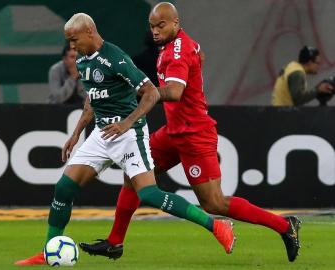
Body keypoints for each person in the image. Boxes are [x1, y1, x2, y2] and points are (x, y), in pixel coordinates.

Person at [79, 2, 301, 263]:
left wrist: (140, 92)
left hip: (195, 134)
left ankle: (285, 226)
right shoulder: (177, 46)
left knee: (214, 203)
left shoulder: (177, 51)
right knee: (133, 174)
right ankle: (115, 242)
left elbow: (174, 92)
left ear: (176, 22)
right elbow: (196, 57)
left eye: (161, 25)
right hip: (173, 132)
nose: (155, 31)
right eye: (152, 26)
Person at [15, 12, 235, 266]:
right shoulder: (84, 60)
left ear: (89, 32)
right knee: (64, 188)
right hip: (101, 134)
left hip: (129, 134)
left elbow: (151, 93)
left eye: (74, 40)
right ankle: (47, 251)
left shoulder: (115, 58)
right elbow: (92, 99)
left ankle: (216, 226)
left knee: (150, 194)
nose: (72, 47)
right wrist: (76, 134)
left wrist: (127, 123)